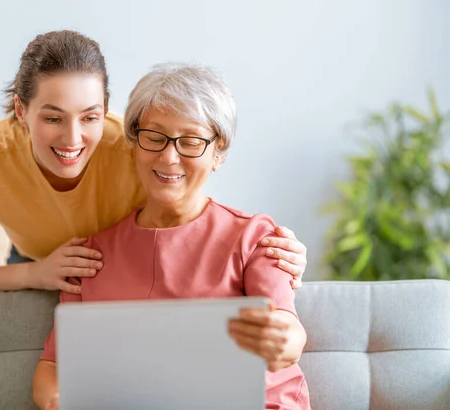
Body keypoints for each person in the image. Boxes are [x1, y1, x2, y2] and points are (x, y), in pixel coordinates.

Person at [0, 30, 308, 293]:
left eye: (89, 117)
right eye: (53, 117)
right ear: (21, 110)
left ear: (106, 109)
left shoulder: (139, 146)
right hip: (35, 262)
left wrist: (268, 257)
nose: (72, 139)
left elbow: (192, 216)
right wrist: (35, 273)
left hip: (129, 264)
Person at [33, 62, 311, 410]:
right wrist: (60, 400)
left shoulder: (255, 238)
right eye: (154, 137)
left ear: (218, 153)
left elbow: (288, 329)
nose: (168, 157)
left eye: (191, 141)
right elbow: (54, 367)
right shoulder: (91, 256)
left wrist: (284, 340)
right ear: (134, 143)